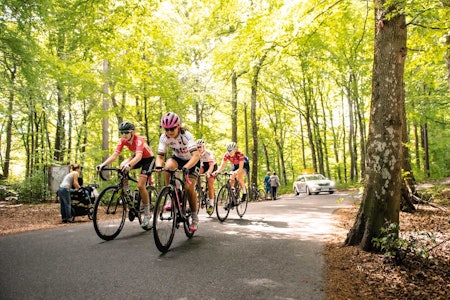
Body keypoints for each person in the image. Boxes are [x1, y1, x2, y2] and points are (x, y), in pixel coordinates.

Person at [96, 121, 155, 230]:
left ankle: (147, 214)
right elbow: (114, 155)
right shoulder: (123, 140)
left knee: (141, 186)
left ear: (132, 132)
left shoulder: (139, 140)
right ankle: (127, 193)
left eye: (126, 132)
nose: (124, 134)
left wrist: (129, 164)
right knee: (121, 166)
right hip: (138, 157)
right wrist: (103, 164)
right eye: (122, 132)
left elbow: (138, 157)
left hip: (148, 160)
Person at [154, 112, 201, 232]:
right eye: (166, 129)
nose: (169, 132)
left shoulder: (186, 136)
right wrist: (159, 166)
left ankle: (194, 217)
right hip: (178, 159)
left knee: (189, 187)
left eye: (172, 128)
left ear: (178, 126)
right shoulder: (164, 138)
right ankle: (173, 195)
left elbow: (196, 155)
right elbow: (160, 156)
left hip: (192, 161)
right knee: (168, 166)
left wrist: (186, 167)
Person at [196, 139, 217, 214]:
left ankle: (211, 204)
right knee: (196, 175)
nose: (199, 149)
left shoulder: (209, 153)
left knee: (210, 183)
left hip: (212, 166)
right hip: (204, 166)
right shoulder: (196, 153)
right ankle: (200, 189)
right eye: (197, 147)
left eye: (200, 147)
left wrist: (208, 172)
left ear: (203, 147)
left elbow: (211, 165)